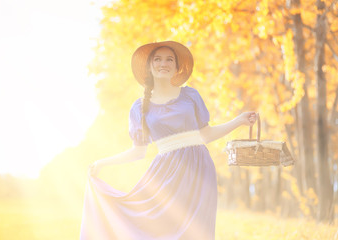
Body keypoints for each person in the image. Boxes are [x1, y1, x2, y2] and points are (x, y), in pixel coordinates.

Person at [80, 41, 257, 240]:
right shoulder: (139, 108)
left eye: (169, 59)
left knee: (197, 231)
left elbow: (206, 135)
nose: (163, 63)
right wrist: (102, 162)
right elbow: (138, 152)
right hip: (165, 174)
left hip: (199, 170)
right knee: (156, 227)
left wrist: (238, 120)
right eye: (158, 59)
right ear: (149, 66)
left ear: (176, 67)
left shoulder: (190, 95)